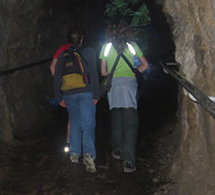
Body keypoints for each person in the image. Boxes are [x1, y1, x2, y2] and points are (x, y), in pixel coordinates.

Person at [99, 19, 149, 173]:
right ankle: (129, 161)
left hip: (114, 86)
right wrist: (134, 72)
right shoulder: (132, 46)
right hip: (129, 86)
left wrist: (114, 75)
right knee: (130, 123)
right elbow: (145, 65)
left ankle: (117, 149)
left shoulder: (106, 47)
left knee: (117, 117)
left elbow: (103, 72)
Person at [53, 28, 100, 173]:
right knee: (88, 124)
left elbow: (57, 76)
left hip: (68, 93)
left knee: (74, 122)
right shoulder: (89, 52)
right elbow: (93, 73)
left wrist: (58, 96)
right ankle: (88, 154)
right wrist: (96, 94)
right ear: (82, 38)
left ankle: (74, 153)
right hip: (86, 92)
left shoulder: (63, 54)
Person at [50, 39, 73, 149]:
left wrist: (59, 81)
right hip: (83, 87)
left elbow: (52, 67)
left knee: (72, 117)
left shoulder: (62, 49)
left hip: (67, 86)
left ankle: (69, 141)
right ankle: (80, 143)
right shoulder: (84, 49)